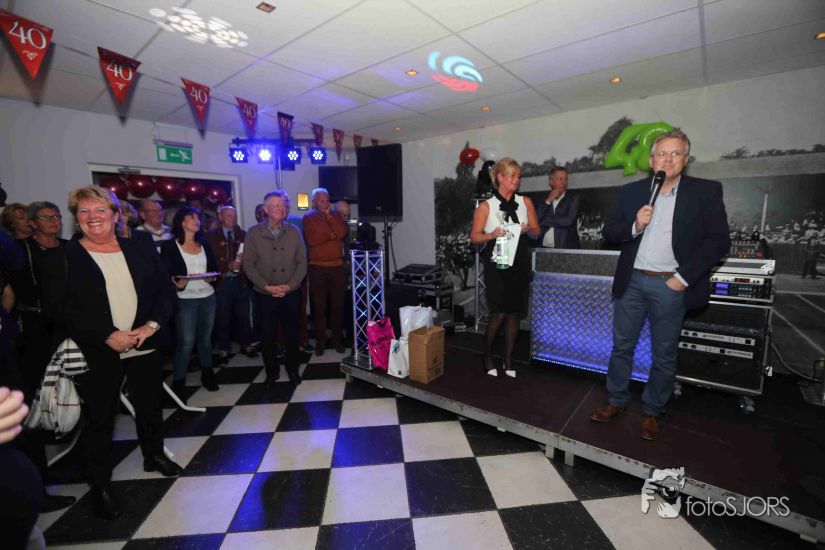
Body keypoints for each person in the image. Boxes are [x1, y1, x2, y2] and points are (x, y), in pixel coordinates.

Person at [40, 186, 182, 519]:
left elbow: (165, 293)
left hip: (144, 344)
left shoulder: (140, 248)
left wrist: (151, 326)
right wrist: (107, 335)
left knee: (149, 406)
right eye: (84, 211)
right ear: (76, 218)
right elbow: (58, 310)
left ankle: (154, 455)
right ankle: (100, 484)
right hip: (98, 350)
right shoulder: (61, 258)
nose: (93, 217)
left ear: (116, 215)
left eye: (100, 210)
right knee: (99, 418)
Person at [590, 130, 730, 441]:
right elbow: (610, 232)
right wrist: (635, 225)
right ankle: (616, 401)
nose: (668, 159)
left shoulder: (705, 192)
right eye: (662, 154)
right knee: (621, 347)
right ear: (652, 160)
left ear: (685, 159)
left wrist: (682, 278)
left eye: (675, 153)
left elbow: (719, 241)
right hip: (632, 281)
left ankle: (653, 411)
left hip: (671, 284)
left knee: (664, 354)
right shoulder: (631, 192)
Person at [469, 158, 540, 378]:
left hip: (519, 260)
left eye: (518, 176)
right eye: (512, 175)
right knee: (499, 313)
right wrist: (492, 234)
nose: (516, 180)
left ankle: (508, 359)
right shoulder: (486, 206)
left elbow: (537, 233)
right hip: (498, 259)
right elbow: (474, 237)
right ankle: (487, 355)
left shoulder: (525, 202)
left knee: (515, 313)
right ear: (500, 177)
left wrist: (527, 229)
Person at [244, 191, 307, 386]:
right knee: (267, 335)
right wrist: (266, 287)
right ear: (266, 209)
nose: (281, 208)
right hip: (264, 294)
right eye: (276, 205)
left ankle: (293, 370)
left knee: (292, 334)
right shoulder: (254, 233)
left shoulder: (294, 231)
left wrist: (290, 285)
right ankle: (271, 371)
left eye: (283, 205)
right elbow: (248, 265)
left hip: (291, 292)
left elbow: (302, 262)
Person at [161, 206, 219, 397]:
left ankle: (207, 374)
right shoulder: (170, 247)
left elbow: (213, 269)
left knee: (205, 339)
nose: (197, 220)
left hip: (207, 297)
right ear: (182, 222)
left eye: (197, 217)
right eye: (192, 217)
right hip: (185, 299)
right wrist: (175, 283)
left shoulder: (204, 244)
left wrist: (212, 277)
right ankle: (179, 381)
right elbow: (165, 274)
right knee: (186, 342)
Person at [206, 205, 255, 364]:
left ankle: (247, 345)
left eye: (233, 215)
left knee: (243, 316)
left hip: (241, 281)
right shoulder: (211, 236)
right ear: (220, 217)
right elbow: (208, 260)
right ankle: (224, 349)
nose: (231, 218)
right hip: (223, 282)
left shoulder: (243, 234)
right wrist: (226, 265)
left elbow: (252, 257)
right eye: (228, 215)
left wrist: (244, 266)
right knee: (223, 317)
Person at [303, 188, 348, 355]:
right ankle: (321, 341)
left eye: (327, 200)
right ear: (314, 202)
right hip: (317, 268)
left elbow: (341, 233)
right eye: (321, 201)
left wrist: (329, 218)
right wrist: (330, 235)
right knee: (319, 307)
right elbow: (312, 240)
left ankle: (337, 340)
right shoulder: (308, 218)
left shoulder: (336, 216)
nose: (325, 203)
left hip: (336, 267)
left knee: (337, 306)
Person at [535, 167, 581, 249]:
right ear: (551, 182)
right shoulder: (543, 199)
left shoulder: (573, 198)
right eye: (560, 179)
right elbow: (535, 219)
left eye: (566, 179)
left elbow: (568, 221)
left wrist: (544, 221)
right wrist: (548, 200)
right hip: (543, 249)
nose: (564, 182)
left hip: (566, 249)